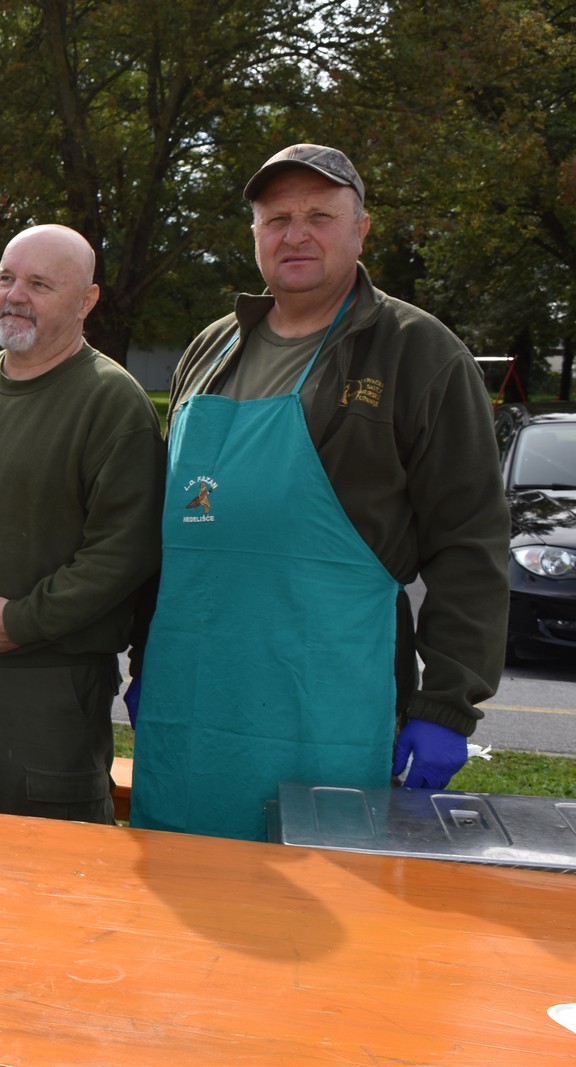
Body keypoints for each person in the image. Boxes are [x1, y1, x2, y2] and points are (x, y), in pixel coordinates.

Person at [130, 144, 511, 842]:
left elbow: (469, 541)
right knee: (184, 889)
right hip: (191, 699)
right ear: (254, 235)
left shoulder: (418, 353)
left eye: (319, 216)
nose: (295, 234)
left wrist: (447, 703)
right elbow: (172, 527)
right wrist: (145, 656)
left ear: (361, 230)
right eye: (276, 219)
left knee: (321, 892)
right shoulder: (210, 349)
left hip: (329, 704)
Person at [0, 225, 164, 821]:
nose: (15, 295)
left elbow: (123, 552)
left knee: (51, 854)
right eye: (6, 278)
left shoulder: (113, 402)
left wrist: (22, 622)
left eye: (39, 283)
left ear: (86, 301)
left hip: (50, 681)